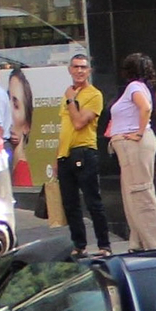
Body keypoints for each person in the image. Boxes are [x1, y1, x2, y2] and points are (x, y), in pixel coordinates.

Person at [109, 52, 156, 251]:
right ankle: (139, 241)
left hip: (133, 145)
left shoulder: (134, 87)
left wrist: (138, 132)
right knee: (133, 195)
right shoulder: (141, 87)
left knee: (140, 193)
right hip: (131, 145)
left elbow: (144, 109)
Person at [54, 52, 109, 255]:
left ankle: (104, 244)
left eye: (83, 67)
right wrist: (56, 156)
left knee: (92, 200)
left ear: (89, 71)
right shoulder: (68, 93)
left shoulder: (94, 94)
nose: (79, 71)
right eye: (76, 67)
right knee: (70, 204)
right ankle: (79, 245)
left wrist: (71, 101)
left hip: (84, 151)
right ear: (70, 69)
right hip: (65, 154)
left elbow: (78, 123)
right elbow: (64, 126)